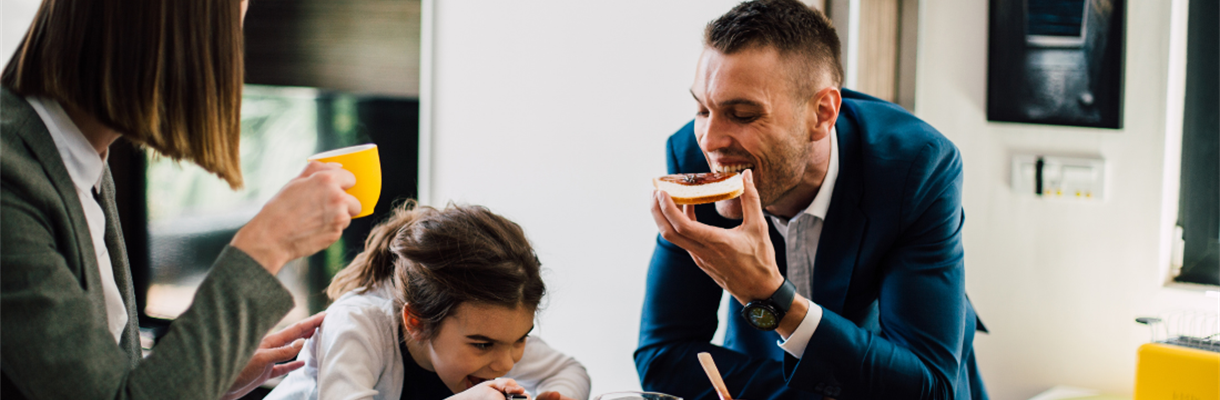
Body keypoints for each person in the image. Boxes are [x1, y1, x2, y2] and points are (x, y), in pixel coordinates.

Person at [0, 0, 359, 399]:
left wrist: (206, 373)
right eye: (226, 37)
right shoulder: (10, 182)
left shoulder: (80, 157)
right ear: (167, 38)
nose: (230, 64)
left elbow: (107, 379)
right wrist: (266, 246)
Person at [636, 1, 988, 399]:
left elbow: (927, 387)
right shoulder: (691, 157)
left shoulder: (915, 167)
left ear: (822, 113)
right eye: (702, 109)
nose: (710, 141)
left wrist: (771, 298)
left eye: (744, 114)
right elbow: (662, 359)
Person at [266, 201, 591, 400]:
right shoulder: (357, 325)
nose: (506, 364)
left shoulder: (495, 336)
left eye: (521, 339)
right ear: (417, 322)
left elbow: (569, 371)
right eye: (482, 345)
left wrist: (561, 396)